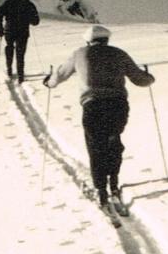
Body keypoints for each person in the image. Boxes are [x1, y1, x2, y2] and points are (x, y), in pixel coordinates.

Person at [44, 25, 155, 207]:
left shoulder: (80, 54)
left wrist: (49, 82)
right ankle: (113, 183)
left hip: (93, 105)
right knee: (113, 140)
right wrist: (149, 77)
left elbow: (60, 75)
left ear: (88, 40)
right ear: (107, 39)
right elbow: (140, 79)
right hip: (118, 105)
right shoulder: (119, 54)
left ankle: (100, 189)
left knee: (96, 145)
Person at [0, 0, 40, 83]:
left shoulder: (9, 2)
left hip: (9, 30)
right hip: (23, 32)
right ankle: (20, 75)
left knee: (9, 47)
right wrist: (28, 19)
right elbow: (36, 21)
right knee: (20, 53)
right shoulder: (29, 4)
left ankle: (9, 69)